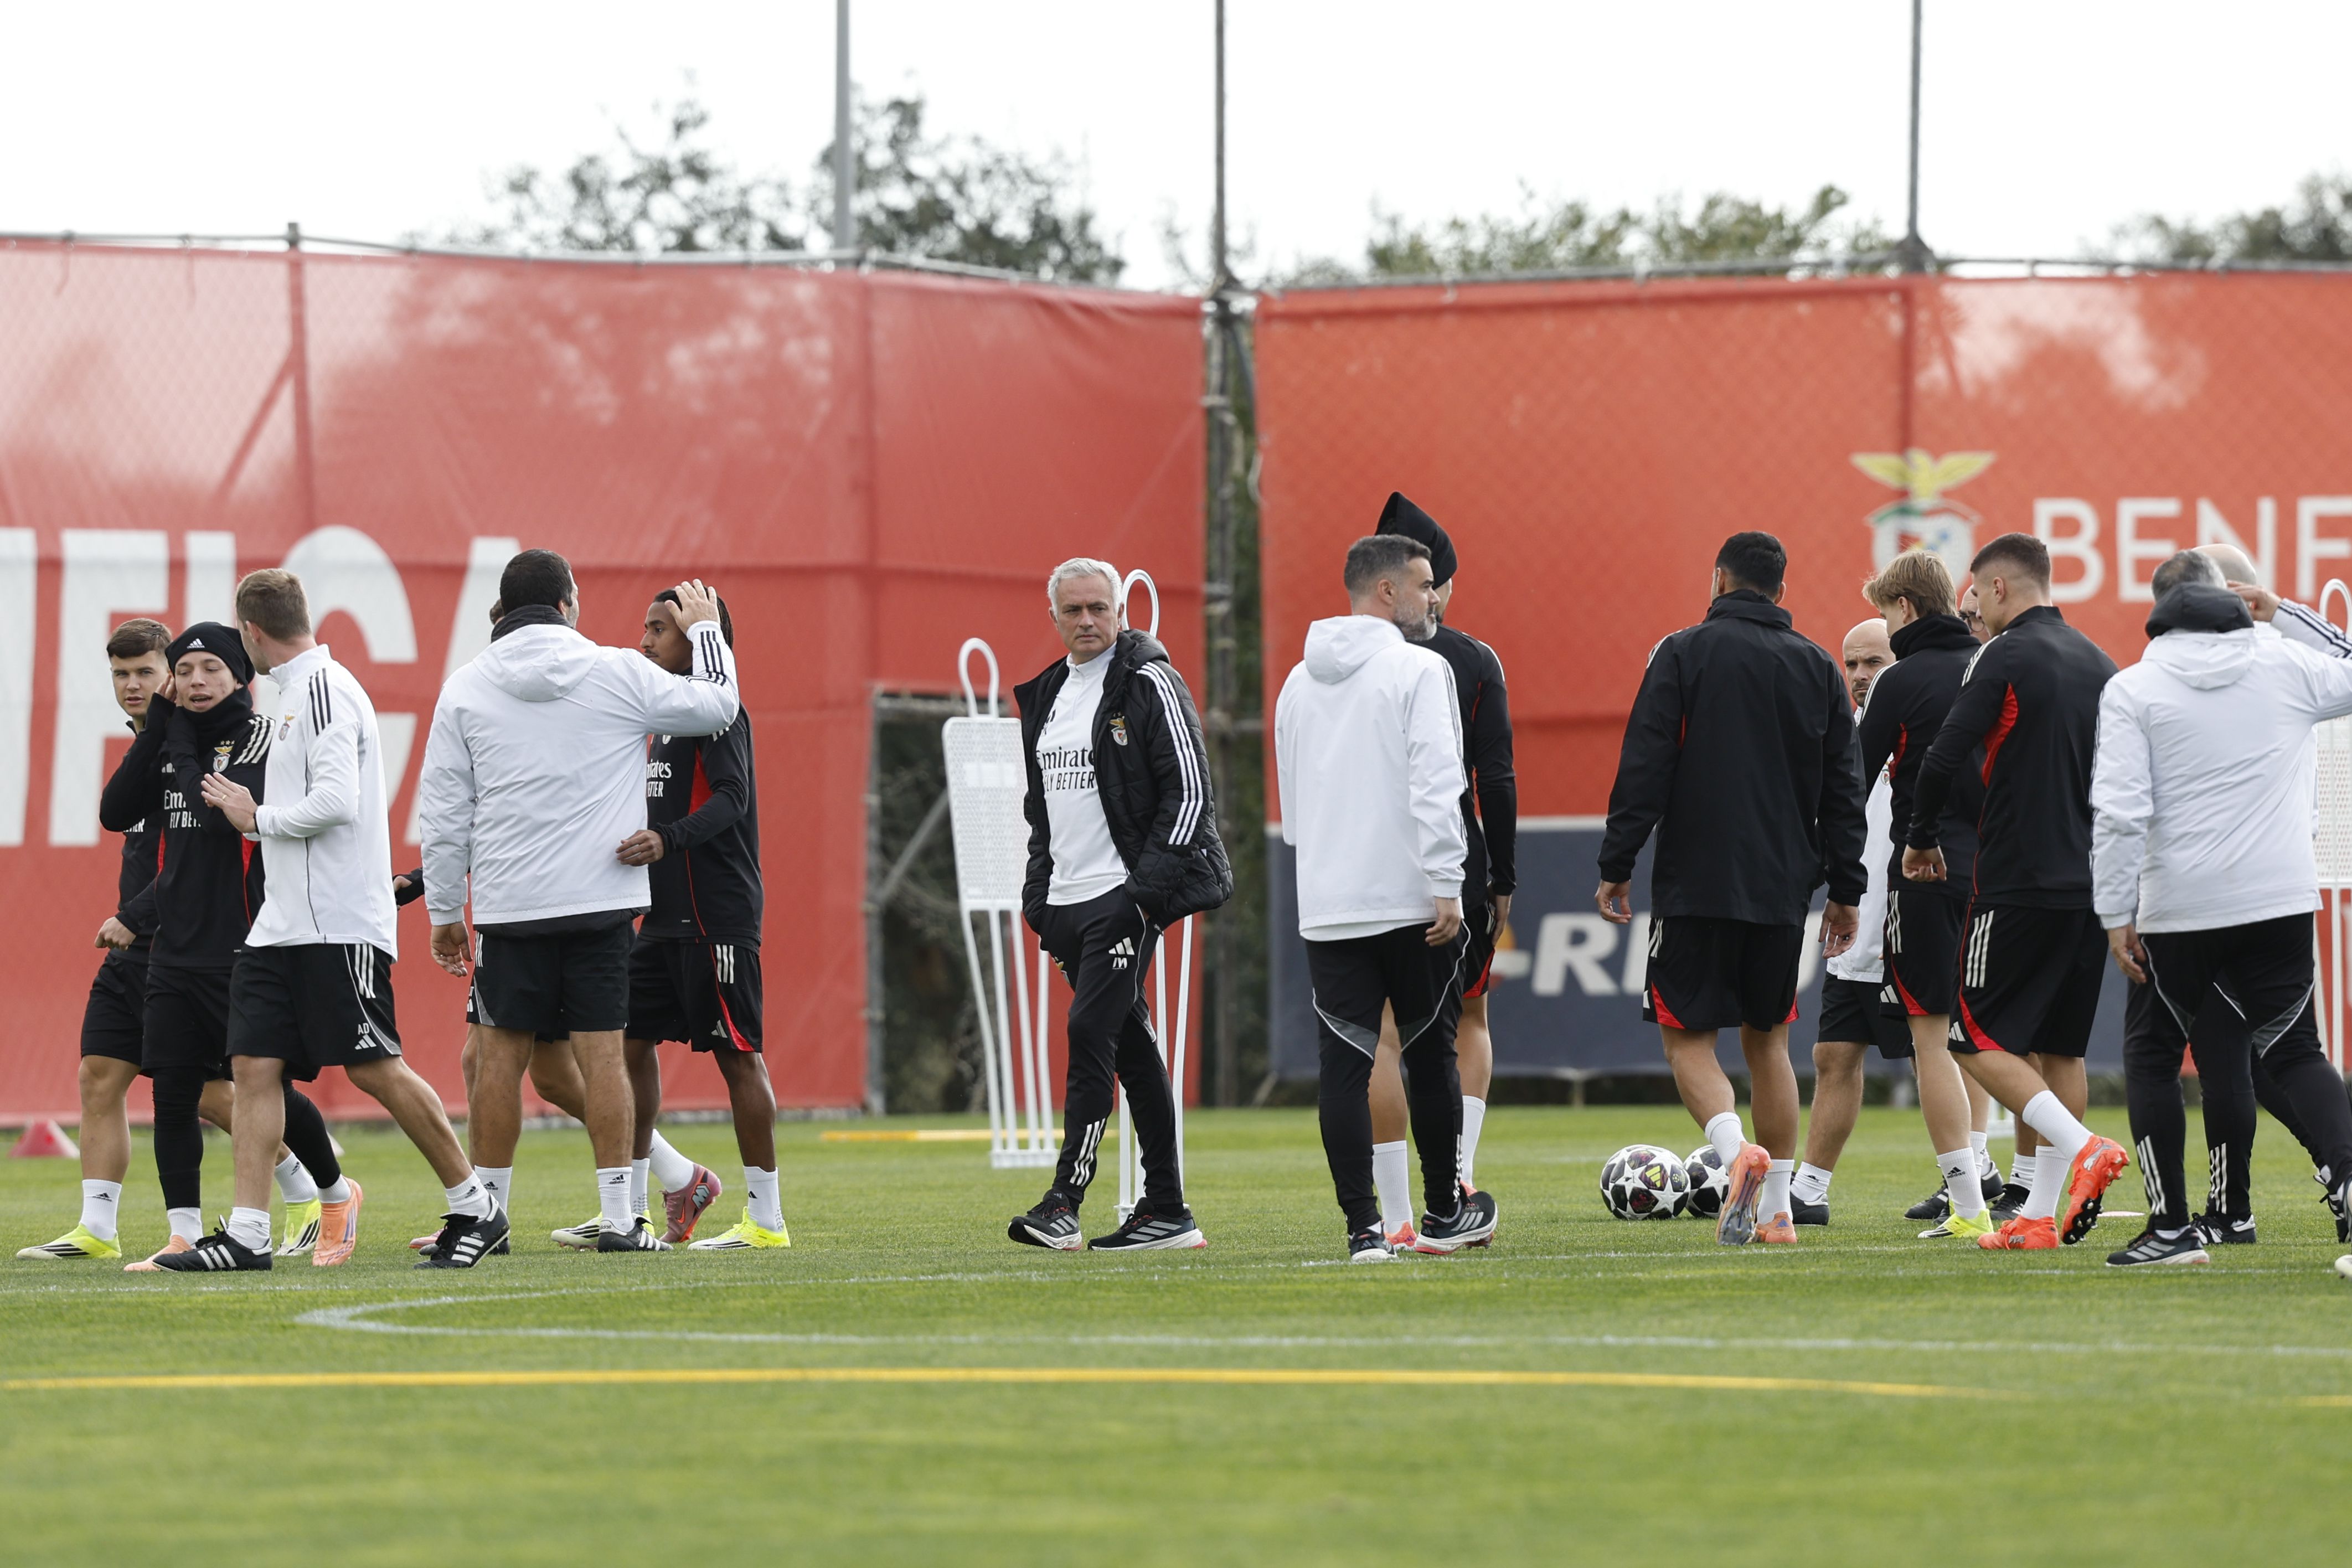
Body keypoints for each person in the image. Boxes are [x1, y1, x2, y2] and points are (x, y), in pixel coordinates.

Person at [145, 572, 500, 1272]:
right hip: (283, 926)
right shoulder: (295, 695)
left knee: (375, 1068)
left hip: (336, 922)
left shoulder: (323, 690)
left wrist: (257, 819)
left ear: (250, 633)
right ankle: (248, 1235)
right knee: (252, 1065)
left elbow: (336, 800)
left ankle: (476, 1204)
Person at [417, 551, 738, 1253]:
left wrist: (445, 912)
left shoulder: (465, 687)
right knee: (601, 1062)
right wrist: (708, 632)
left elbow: (444, 815)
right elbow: (718, 705)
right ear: (570, 603)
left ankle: (489, 1216)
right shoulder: (615, 669)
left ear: (501, 611)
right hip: (599, 901)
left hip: (508, 906)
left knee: (495, 1063)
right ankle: (622, 1218)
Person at [1597, 531, 1868, 1246]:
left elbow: (1646, 761)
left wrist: (1617, 860)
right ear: (1781, 592)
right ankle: (1778, 1211)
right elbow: (1846, 790)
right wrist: (1847, 888)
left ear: (1718, 580)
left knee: (1688, 1043)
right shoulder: (1817, 666)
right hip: (1782, 892)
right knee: (1770, 1045)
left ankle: (1731, 1153)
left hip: (1695, 884)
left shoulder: (1682, 653)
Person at [2092, 558, 2352, 1268]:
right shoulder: (2284, 668)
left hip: (2178, 905)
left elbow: (2119, 814)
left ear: (2159, 613)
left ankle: (2172, 1229)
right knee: (2296, 1054)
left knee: (2151, 1058)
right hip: (2279, 897)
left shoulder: (2134, 688)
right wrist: (2286, 611)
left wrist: (2116, 910)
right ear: (2238, 608)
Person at [1901, 533, 2131, 1252]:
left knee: (1971, 1038)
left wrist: (1921, 838)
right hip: (2088, 884)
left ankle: (2086, 1149)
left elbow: (1943, 755)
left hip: (2016, 882)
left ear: (2000, 588)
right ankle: (2036, 1214)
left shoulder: (2003, 656)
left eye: (1978, 591)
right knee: (2058, 1051)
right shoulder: (2101, 662)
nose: (1973, 604)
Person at [94, 621, 347, 1271]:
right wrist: (160, 729)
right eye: (185, 670)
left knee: (259, 1087)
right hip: (173, 951)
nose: (197, 681)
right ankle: (182, 1234)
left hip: (244, 945)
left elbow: (219, 822)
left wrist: (180, 744)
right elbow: (116, 811)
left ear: (242, 676)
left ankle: (335, 1195)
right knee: (173, 1093)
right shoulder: (169, 741)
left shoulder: (262, 742)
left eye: (212, 668)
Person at [1276, 534, 1495, 1262]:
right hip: (1409, 900)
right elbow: (1439, 782)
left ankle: (1363, 1230)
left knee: (1344, 1066)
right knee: (1431, 1055)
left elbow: (1294, 799)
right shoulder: (1419, 668)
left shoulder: (1297, 681)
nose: (1436, 596)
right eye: (1426, 583)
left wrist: (1320, 875)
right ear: (1387, 592)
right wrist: (1446, 884)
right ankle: (1442, 1216)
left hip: (1330, 901)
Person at [1008, 557, 1230, 1252]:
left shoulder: (1149, 680)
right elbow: (1040, 807)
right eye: (1073, 611)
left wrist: (1141, 896)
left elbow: (1191, 794)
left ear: (1121, 611)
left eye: (1099, 608)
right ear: (1054, 618)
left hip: (1123, 897)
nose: (1087, 621)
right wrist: (1040, 898)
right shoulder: (1046, 693)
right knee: (1132, 1051)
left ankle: (1064, 1202)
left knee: (1089, 1033)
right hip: (1068, 904)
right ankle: (1167, 1210)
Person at [1364, 494, 1517, 1248]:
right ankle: (1454, 1177)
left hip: (1365, 863)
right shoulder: (1469, 658)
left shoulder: (1339, 661)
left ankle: (1392, 1211)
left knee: (1382, 1033)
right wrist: (1503, 877)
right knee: (1465, 1020)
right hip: (1451, 860)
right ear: (1435, 583)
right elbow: (1497, 780)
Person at [617, 588, 781, 1251]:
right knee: (624, 1045)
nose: (646, 640)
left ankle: (767, 1220)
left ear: (701, 639)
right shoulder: (664, 717)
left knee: (739, 1059)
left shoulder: (718, 712)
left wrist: (668, 839)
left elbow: (734, 800)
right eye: (646, 627)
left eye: (661, 628)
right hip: (660, 919)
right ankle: (629, 1213)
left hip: (718, 918)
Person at [1853, 550, 2008, 1239]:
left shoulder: (1901, 679)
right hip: (2002, 874)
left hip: (1924, 873)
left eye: (1887, 614)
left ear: (1905, 610)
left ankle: (1968, 1203)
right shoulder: (1994, 667)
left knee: (1931, 1038)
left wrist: (1829, 871)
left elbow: (1850, 782)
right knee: (1993, 1035)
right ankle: (2032, 1189)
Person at [18, 620, 181, 1261]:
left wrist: (137, 914)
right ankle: (97, 1231)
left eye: (146, 671)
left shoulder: (186, 748)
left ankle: (318, 1190)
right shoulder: (143, 746)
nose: (133, 684)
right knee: (100, 1075)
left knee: (216, 1094)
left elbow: (195, 863)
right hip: (135, 945)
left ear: (172, 672)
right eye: (121, 674)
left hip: (181, 943)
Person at [1789, 615, 1916, 1226]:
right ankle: (1809, 1191)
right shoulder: (1841, 734)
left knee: (1948, 1053)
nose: (1862, 677)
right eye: (1853, 665)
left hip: (1916, 916)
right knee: (1833, 1055)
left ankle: (1976, 1176)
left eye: (1876, 664)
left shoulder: (1928, 724)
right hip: (1856, 924)